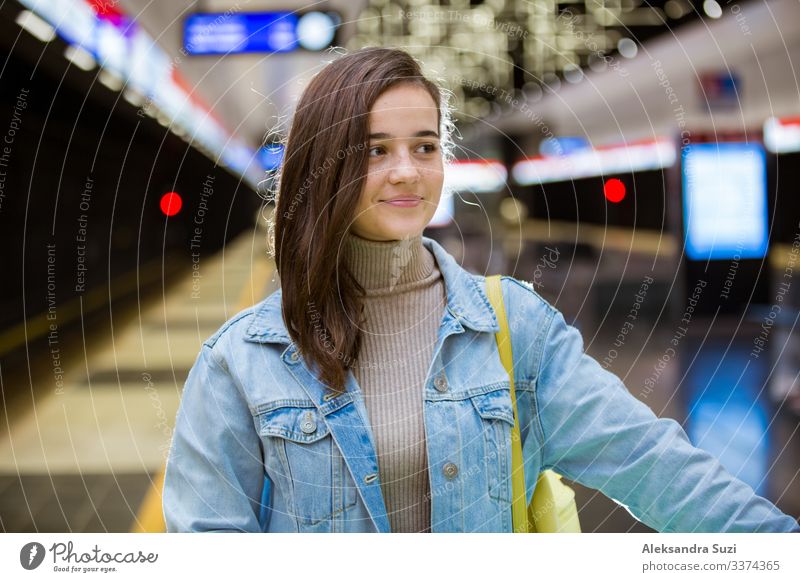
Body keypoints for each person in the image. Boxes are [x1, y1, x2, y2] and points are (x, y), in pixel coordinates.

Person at [162, 46, 800, 533]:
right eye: (375, 150)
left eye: (424, 146)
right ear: (324, 165)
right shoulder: (241, 363)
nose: (407, 171)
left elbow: (655, 464)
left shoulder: (512, 328)